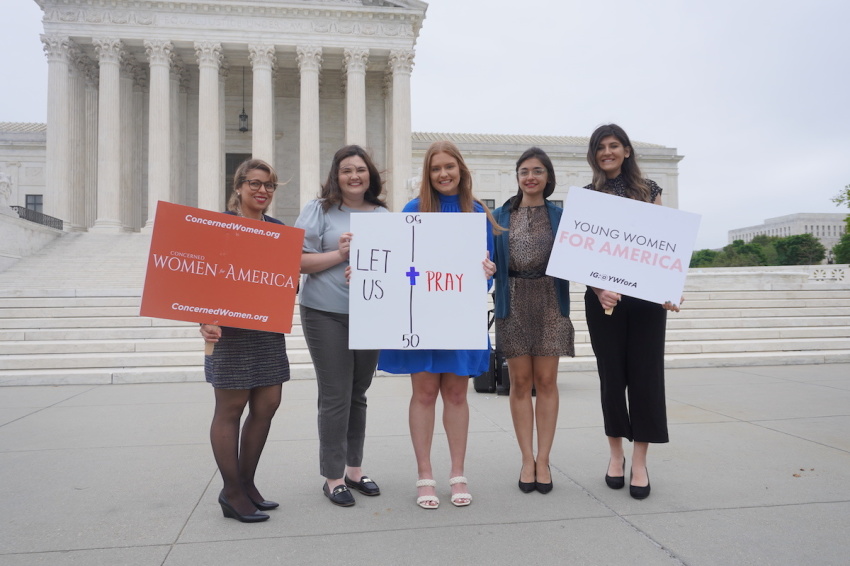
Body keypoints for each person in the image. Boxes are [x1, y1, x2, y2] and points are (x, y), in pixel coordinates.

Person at [378, 140, 500, 509]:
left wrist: (487, 274)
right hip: (424, 316)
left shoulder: (476, 211)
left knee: (458, 395)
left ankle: (458, 473)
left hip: (460, 316)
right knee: (425, 393)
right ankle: (425, 474)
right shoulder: (414, 210)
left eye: (449, 166)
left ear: (461, 170)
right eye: (436, 168)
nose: (443, 173)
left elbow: (486, 275)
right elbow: (400, 264)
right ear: (427, 174)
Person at [583, 124, 681, 500]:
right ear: (594, 155)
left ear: (626, 150)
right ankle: (615, 456)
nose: (607, 152)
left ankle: (640, 461)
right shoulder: (589, 197)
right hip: (603, 299)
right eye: (600, 147)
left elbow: (662, 247)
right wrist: (598, 288)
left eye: (613, 145)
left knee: (645, 377)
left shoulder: (649, 191)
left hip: (645, 302)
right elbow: (581, 254)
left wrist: (669, 290)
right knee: (612, 378)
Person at [295, 145, 388, 507]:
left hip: (370, 313)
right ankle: (332, 476)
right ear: (336, 175)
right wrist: (341, 254)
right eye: (347, 170)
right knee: (335, 395)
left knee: (358, 393)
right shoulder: (319, 210)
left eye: (361, 170)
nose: (354, 176)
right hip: (324, 313)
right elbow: (298, 261)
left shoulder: (382, 214)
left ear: (370, 175)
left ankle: (354, 469)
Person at [201, 158, 289, 523]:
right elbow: (201, 275)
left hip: (266, 330)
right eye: (254, 183)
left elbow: (287, 279)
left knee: (268, 404)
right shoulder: (220, 226)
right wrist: (203, 318)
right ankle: (232, 491)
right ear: (238, 187)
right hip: (231, 333)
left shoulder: (278, 229)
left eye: (268, 185)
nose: (262, 191)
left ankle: (247, 483)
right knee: (230, 409)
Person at [492, 147, 575, 494]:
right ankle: (527, 458)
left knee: (547, 381)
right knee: (520, 383)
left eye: (538, 170)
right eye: (524, 170)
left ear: (548, 177)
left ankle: (545, 459)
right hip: (513, 299)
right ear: (517, 177)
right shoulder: (498, 216)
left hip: (548, 301)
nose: (530, 176)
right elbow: (482, 256)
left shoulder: (563, 216)